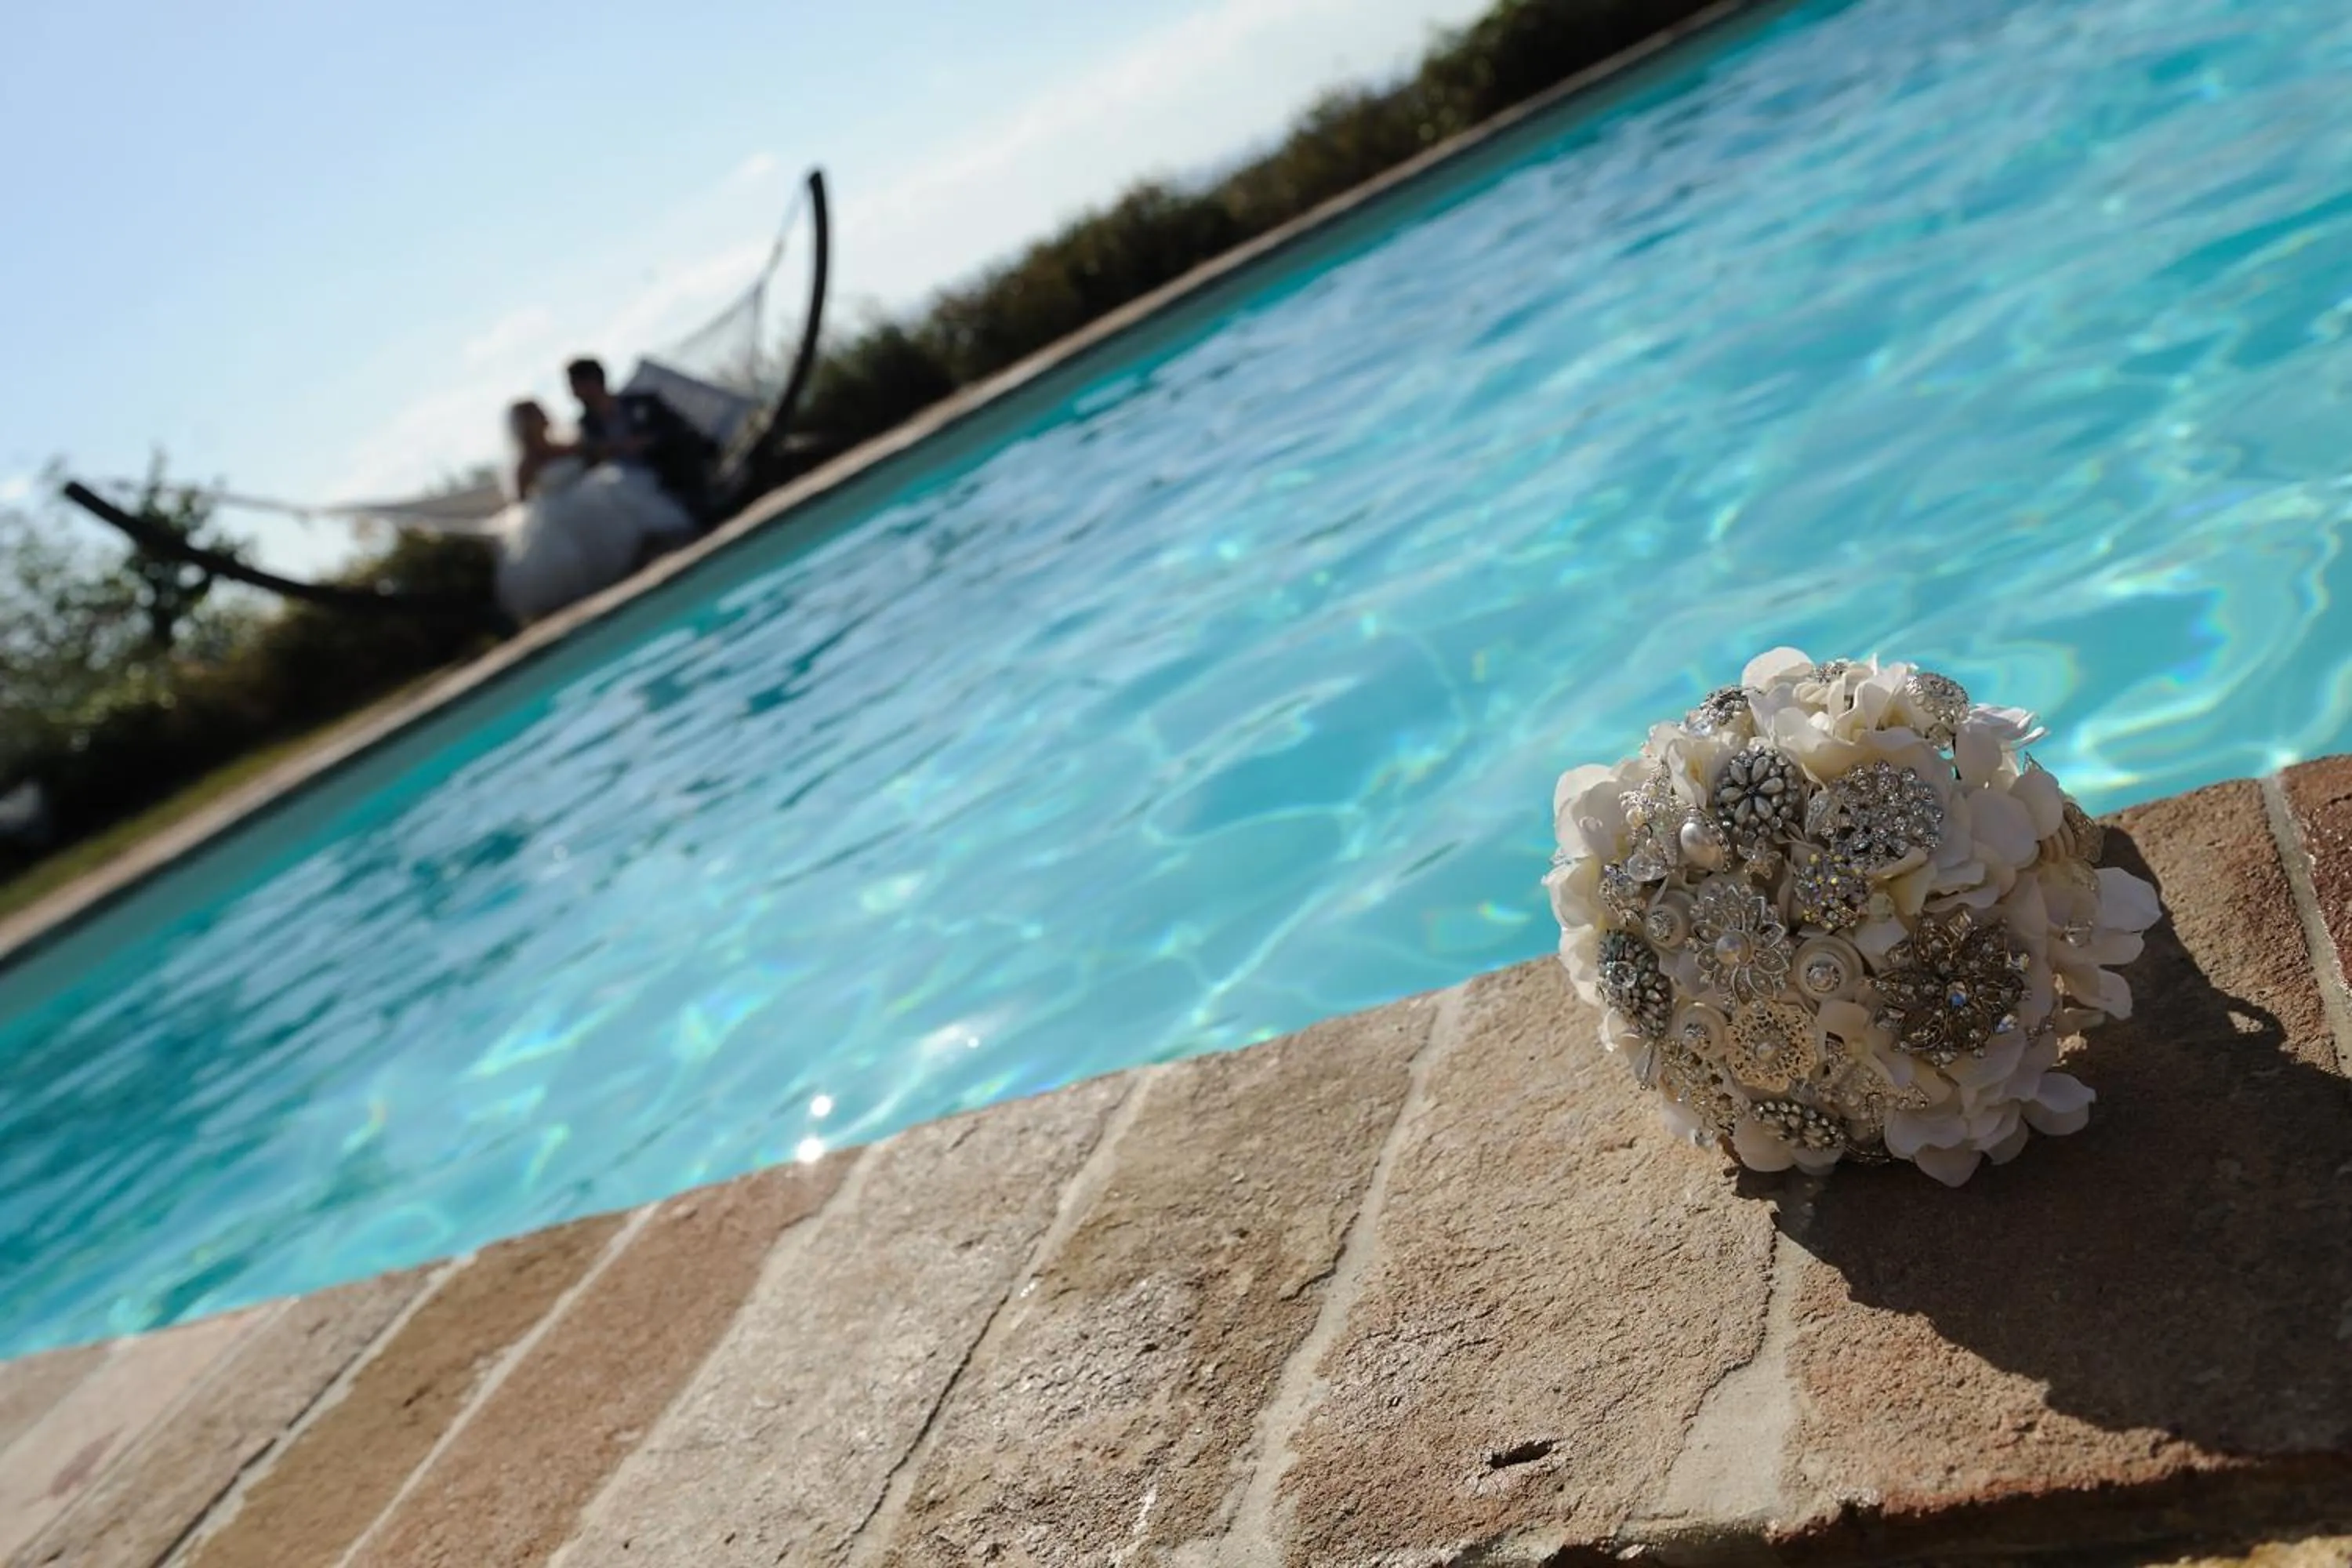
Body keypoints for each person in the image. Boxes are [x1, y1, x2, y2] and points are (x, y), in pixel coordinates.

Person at [490, 399, 697, 625]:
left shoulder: (567, 445)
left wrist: (626, 445)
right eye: (534, 415)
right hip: (554, 515)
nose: (542, 417)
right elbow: (520, 502)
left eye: (540, 411)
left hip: (589, 497)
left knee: (620, 493)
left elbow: (598, 452)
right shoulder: (526, 464)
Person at [568, 356, 719, 525]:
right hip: (626, 480)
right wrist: (610, 451)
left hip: (664, 464)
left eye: (576, 386)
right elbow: (589, 460)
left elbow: (678, 427)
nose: (573, 394)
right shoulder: (585, 427)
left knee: (679, 452)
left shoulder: (643, 401)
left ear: (592, 382)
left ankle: (703, 507)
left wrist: (648, 441)